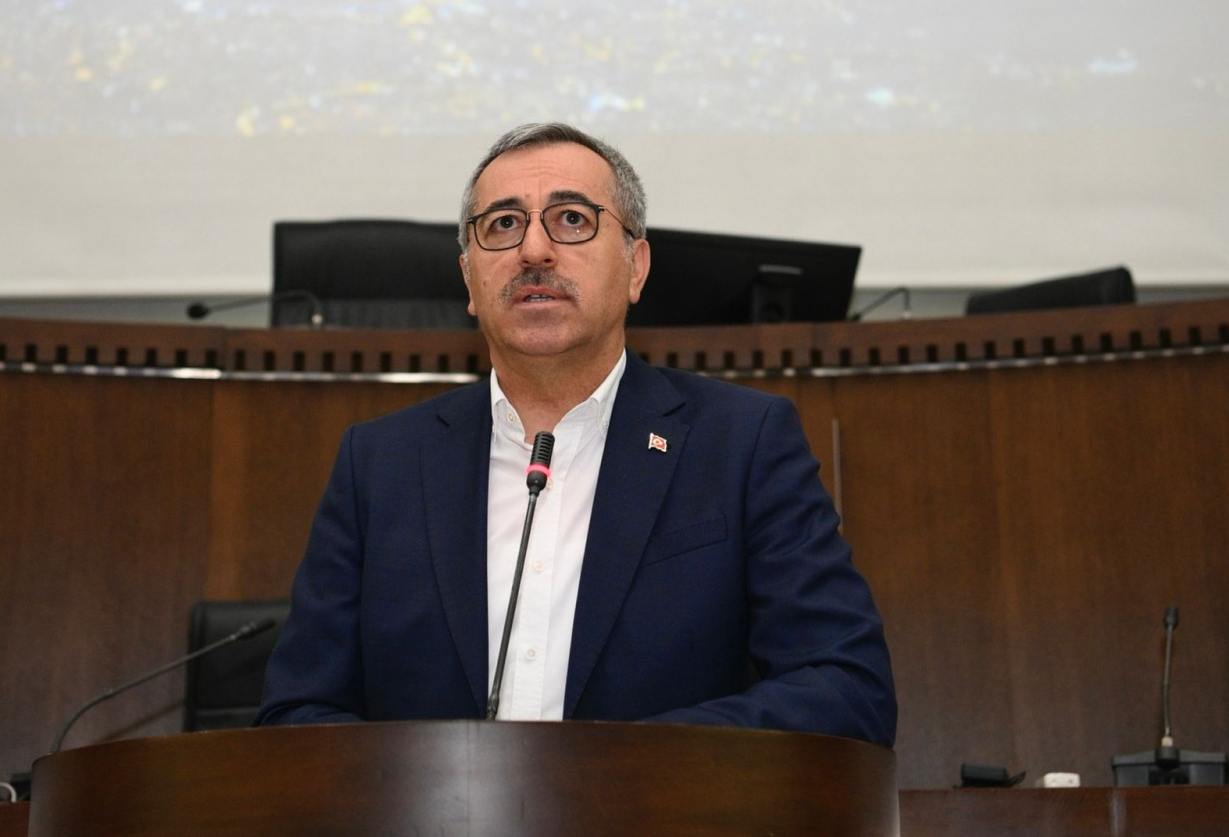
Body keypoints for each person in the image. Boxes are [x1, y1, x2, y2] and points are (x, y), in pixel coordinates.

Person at [256, 123, 895, 742]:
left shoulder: (741, 443)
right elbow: (296, 713)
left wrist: (613, 774)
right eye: (503, 225)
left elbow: (847, 690)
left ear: (636, 267)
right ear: (469, 279)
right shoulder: (380, 463)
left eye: (571, 219)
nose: (534, 250)